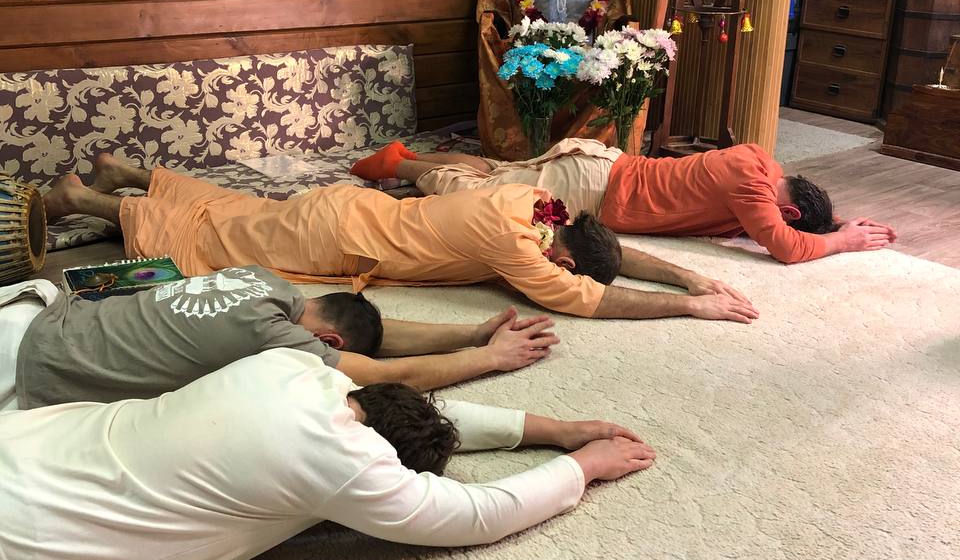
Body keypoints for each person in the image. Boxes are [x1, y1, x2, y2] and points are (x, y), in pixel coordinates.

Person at [0, 348, 656, 560]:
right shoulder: (348, 467)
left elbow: (421, 406)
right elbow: (482, 515)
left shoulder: (290, 367)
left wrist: (555, 428)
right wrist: (584, 464)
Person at [42, 154, 757, 324]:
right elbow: (593, 300)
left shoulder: (540, 206)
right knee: (213, 244)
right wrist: (688, 306)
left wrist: (687, 275)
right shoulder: (518, 249)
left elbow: (603, 259)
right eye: (564, 267)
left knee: (235, 209)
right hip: (336, 237)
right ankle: (88, 200)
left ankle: (126, 173)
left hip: (349, 211)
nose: (560, 272)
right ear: (561, 256)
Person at [0, 266, 559, 412]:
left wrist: (470, 331)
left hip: (34, 305)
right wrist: (490, 357)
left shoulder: (265, 281)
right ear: (329, 342)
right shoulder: (281, 342)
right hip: (30, 365)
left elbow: (373, 334)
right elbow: (391, 375)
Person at [353, 138, 897, 267]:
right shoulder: (752, 190)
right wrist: (843, 242)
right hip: (592, 188)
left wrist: (837, 223)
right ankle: (396, 166)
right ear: (790, 210)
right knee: (478, 198)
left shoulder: (762, 164)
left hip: (602, 169)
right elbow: (784, 246)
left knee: (498, 173)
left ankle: (407, 156)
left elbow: (787, 223)